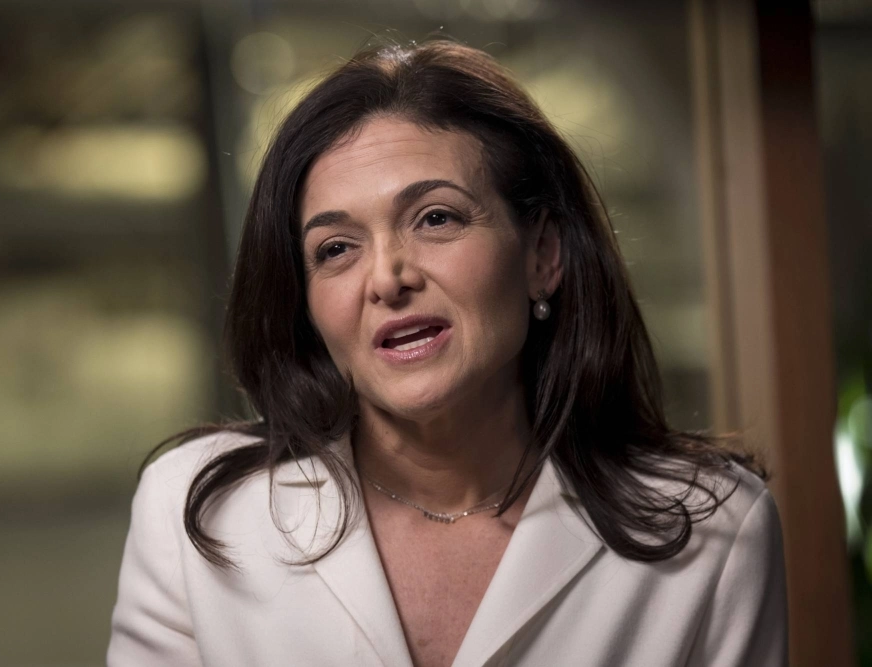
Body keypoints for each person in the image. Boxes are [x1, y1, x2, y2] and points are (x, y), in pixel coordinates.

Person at [107, 40, 787, 667]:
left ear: (543, 255)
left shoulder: (712, 531)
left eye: (436, 217)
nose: (387, 277)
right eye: (336, 249)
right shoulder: (196, 514)